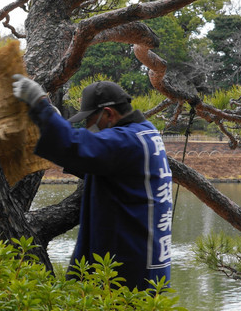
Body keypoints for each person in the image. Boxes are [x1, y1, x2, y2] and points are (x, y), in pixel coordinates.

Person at [12, 75, 172, 290]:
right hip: (146, 260)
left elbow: (74, 146)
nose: (87, 128)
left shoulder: (126, 142)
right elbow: (98, 160)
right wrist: (54, 126)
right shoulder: (146, 133)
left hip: (127, 269)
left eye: (88, 121)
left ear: (107, 114)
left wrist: (40, 104)